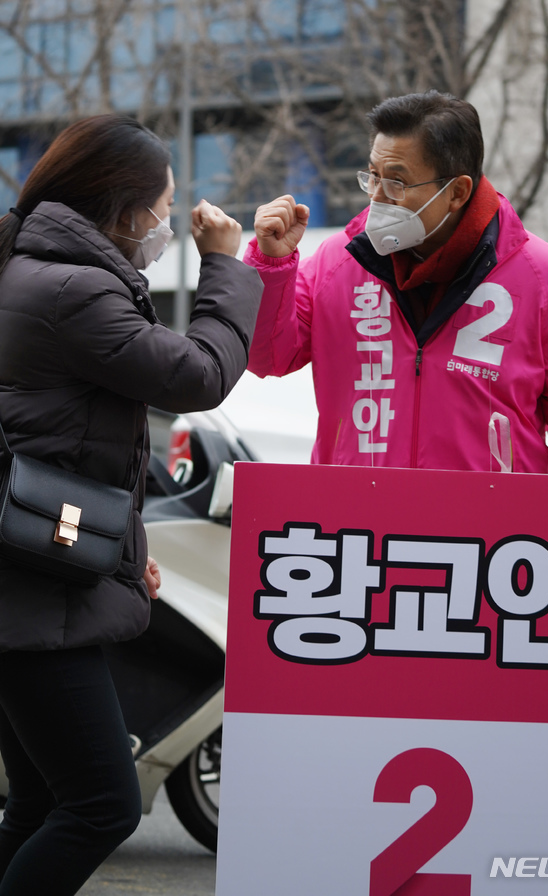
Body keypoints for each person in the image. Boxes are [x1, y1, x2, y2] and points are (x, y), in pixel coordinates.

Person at [0, 113, 262, 895]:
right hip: (34, 590)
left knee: (45, 798)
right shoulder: (73, 288)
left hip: (35, 567)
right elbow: (197, 376)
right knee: (103, 805)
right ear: (121, 209)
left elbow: (74, 453)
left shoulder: (30, 267)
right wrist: (225, 265)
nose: (167, 224)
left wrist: (127, 559)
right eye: (164, 208)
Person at [244, 90, 548, 514]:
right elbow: (268, 357)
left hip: (491, 538)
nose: (377, 196)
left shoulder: (543, 274)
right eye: (372, 176)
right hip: (357, 529)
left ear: (457, 191)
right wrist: (271, 264)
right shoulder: (337, 263)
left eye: (396, 181)